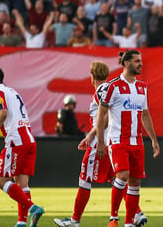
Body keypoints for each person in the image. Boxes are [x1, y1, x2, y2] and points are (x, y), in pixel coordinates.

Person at [54, 62, 149, 227]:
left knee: (85, 179)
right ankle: (137, 213)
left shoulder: (101, 90)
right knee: (116, 179)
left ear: (92, 76)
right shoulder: (113, 87)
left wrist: (92, 137)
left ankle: (74, 221)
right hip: (113, 142)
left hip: (101, 142)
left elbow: (104, 120)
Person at [96, 50, 160, 227]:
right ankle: (113, 218)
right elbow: (101, 115)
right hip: (117, 140)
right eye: (137, 61)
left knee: (135, 181)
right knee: (122, 175)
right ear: (126, 64)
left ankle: (130, 222)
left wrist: (154, 140)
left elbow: (145, 115)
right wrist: (100, 141)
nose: (141, 64)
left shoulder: (142, 87)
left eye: (141, 61)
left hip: (137, 141)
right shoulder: (113, 86)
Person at [0, 67, 45, 227]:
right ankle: (22, 222)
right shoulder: (13, 92)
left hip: (16, 141)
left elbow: (2, 113)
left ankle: (32, 208)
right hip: (29, 139)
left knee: (2, 182)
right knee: (22, 183)